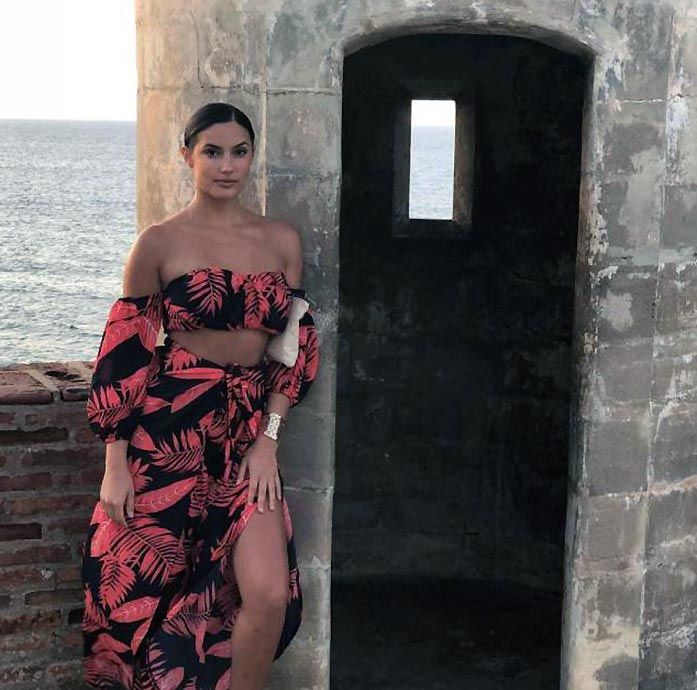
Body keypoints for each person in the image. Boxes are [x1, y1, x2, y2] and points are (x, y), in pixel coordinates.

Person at [79, 101, 320, 690]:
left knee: (267, 593)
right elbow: (126, 354)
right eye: (212, 151)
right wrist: (115, 464)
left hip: (246, 434)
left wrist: (268, 441)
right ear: (187, 155)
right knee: (150, 591)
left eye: (240, 152)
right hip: (168, 431)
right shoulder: (159, 243)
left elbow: (292, 352)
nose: (227, 165)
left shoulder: (282, 241)